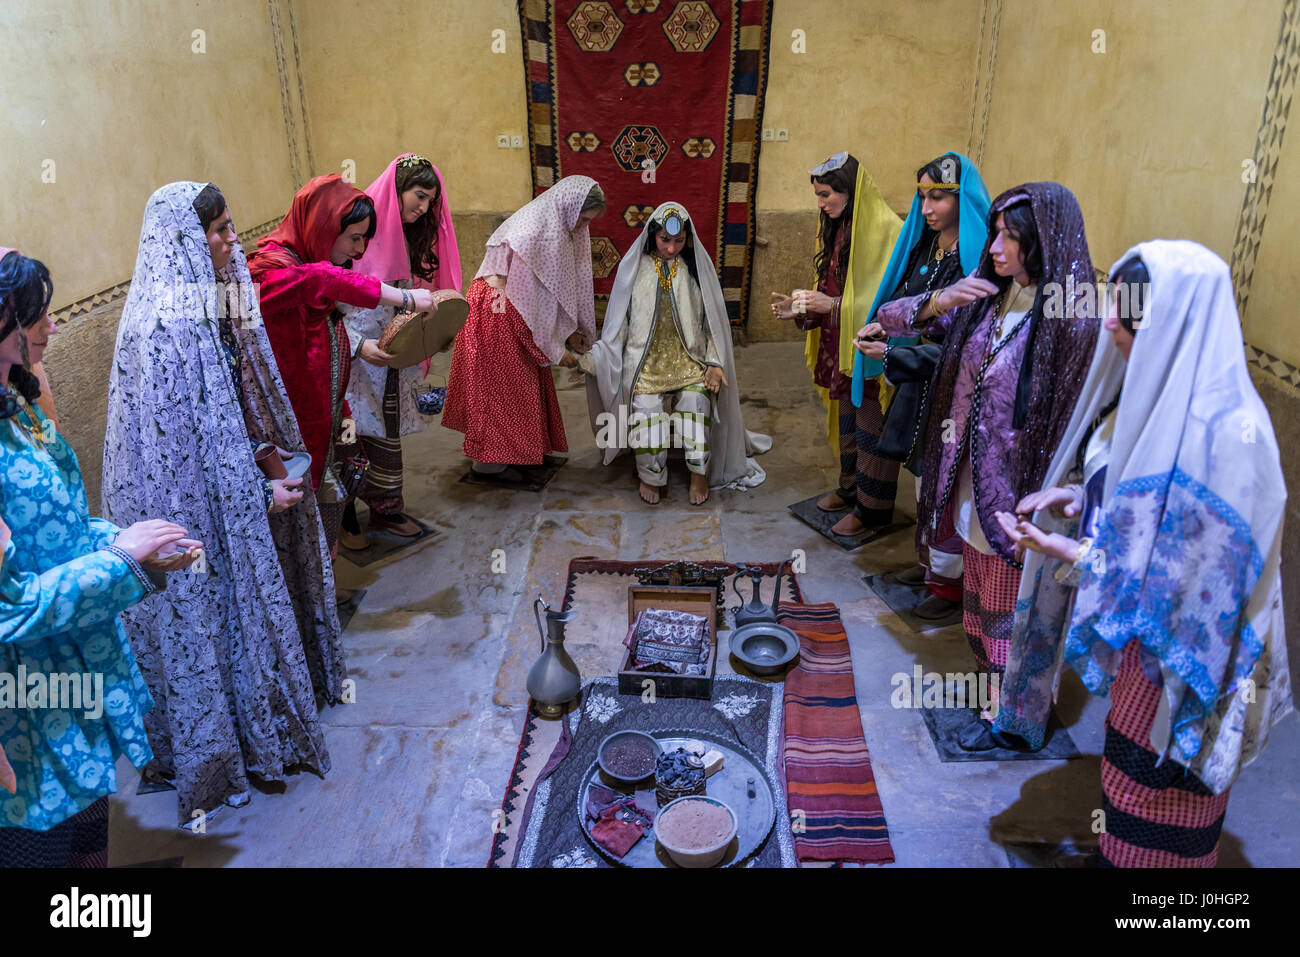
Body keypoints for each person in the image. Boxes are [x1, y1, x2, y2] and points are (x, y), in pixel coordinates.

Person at [994, 241, 1291, 865]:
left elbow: (1181, 590)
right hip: (1144, 657)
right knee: (1129, 781)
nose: (1110, 324)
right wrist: (1080, 496)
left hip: (1186, 669)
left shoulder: (1227, 438)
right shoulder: (1163, 399)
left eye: (1129, 313)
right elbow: (1139, 505)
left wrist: (1066, 549)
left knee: (1167, 799)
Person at [102, 181, 352, 825]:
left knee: (238, 618)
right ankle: (217, 754)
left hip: (222, 495)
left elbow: (222, 421)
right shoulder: (163, 332)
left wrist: (259, 463)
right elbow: (181, 469)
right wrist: (255, 493)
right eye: (219, 231)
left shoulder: (205, 307)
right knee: (207, 619)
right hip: (182, 520)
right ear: (186, 241)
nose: (233, 240)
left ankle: (253, 728)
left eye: (230, 226)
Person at [867, 182, 1100, 749]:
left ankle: (1016, 719)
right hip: (969, 475)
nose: (994, 247)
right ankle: (990, 692)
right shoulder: (990, 294)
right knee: (980, 591)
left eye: (1010, 237)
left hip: (1023, 489)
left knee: (1016, 606)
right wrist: (942, 301)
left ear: (1044, 241)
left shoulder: (1071, 318)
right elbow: (891, 319)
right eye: (995, 233)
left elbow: (1072, 422)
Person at [0, 251, 201, 865]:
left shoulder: (18, 405)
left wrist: (131, 542)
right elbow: (10, 608)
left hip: (70, 672)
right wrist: (121, 560)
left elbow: (58, 524)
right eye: (35, 316)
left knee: (89, 833)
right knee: (40, 841)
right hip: (25, 698)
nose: (52, 325)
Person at [248, 174, 437, 562]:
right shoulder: (270, 271)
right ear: (322, 227)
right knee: (299, 522)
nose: (359, 249)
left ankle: (326, 580)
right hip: (291, 425)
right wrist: (404, 297)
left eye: (365, 239)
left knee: (338, 490)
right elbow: (321, 280)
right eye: (353, 238)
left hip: (328, 408)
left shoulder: (308, 263)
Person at [853, 153, 990, 619]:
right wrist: (883, 326)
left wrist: (895, 353)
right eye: (922, 197)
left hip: (952, 388)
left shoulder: (977, 260)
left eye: (938, 198)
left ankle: (951, 588)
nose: (927, 208)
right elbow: (905, 299)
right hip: (919, 380)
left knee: (948, 484)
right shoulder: (926, 246)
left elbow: (963, 343)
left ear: (962, 198)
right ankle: (930, 566)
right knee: (924, 482)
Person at [578, 201, 770, 504]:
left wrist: (714, 362)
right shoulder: (634, 270)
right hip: (644, 365)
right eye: (664, 240)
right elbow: (618, 325)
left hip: (689, 361)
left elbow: (712, 326)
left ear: (687, 239)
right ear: (652, 235)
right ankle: (651, 475)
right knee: (646, 410)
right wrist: (598, 357)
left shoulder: (695, 273)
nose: (670, 248)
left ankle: (698, 473)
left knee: (695, 402)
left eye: (678, 241)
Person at [771, 153, 902, 536]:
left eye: (826, 194)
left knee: (870, 428)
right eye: (818, 195)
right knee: (847, 421)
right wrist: (801, 307)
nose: (820, 203)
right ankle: (849, 489)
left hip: (870, 350)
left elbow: (890, 304)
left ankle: (873, 509)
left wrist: (833, 306)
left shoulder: (887, 230)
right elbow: (831, 288)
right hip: (840, 346)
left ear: (850, 190)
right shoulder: (839, 226)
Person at [442, 176, 605, 483]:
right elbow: (526, 299)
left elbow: (552, 289)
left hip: (511, 307)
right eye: (583, 219)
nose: (584, 227)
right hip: (499, 309)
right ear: (570, 209)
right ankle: (489, 465)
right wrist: (556, 349)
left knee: (522, 387)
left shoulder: (556, 225)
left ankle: (521, 452)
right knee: (501, 390)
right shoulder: (537, 233)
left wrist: (570, 333)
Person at [338, 153, 461, 546]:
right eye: (419, 196)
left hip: (393, 351)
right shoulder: (356, 231)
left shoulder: (412, 236)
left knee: (387, 433)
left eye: (430, 201)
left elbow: (413, 294)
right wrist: (358, 346)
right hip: (355, 355)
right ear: (397, 190)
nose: (424, 207)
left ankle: (385, 508)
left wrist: (435, 331)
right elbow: (330, 306)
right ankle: (343, 516)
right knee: (351, 434)